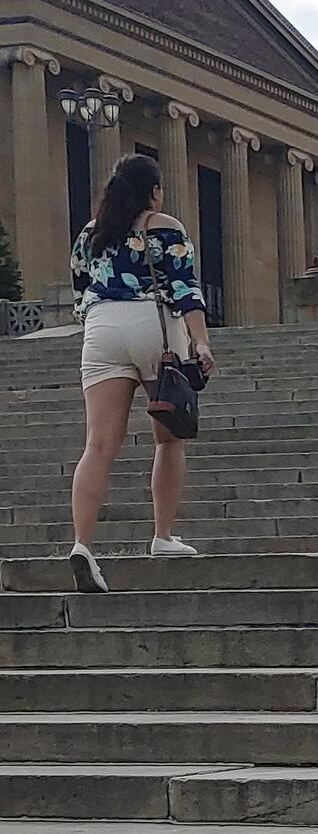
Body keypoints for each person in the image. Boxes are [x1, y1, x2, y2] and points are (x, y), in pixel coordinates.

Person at [66, 152, 216, 592]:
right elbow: (186, 289)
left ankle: (82, 545)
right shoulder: (165, 227)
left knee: (97, 445)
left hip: (101, 328)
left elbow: (80, 287)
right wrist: (201, 342)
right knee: (169, 435)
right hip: (154, 323)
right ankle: (163, 536)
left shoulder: (91, 233)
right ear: (153, 191)